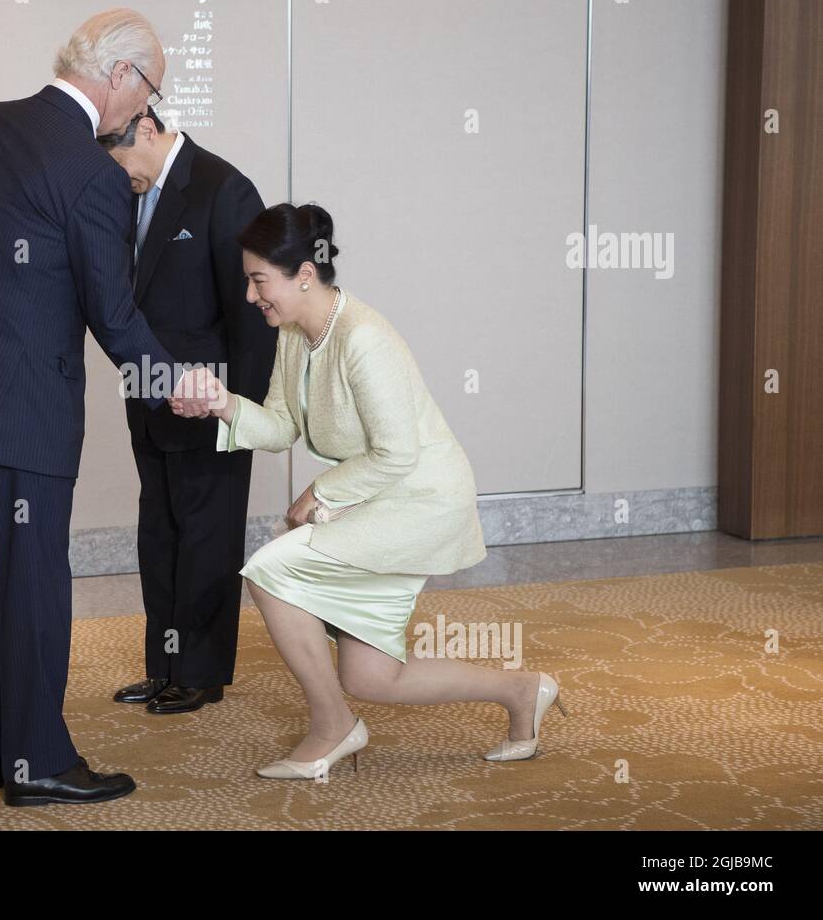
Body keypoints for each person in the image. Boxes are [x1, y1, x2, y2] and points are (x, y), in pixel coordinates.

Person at [0, 8, 209, 807]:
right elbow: (114, 313)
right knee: (32, 586)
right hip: (26, 411)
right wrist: (181, 384)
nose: (143, 114)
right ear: (120, 77)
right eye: (148, 94)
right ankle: (38, 762)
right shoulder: (90, 172)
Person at [176, 202, 567, 779]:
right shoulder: (295, 335)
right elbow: (284, 425)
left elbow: (397, 453)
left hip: (420, 499)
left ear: (303, 274)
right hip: (377, 496)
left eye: (259, 281)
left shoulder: (363, 339)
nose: (251, 296)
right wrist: (223, 404)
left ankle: (334, 727)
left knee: (269, 570)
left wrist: (320, 491)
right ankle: (523, 691)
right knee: (371, 676)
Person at [97, 108, 277, 714]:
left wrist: (239, 412)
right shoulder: (132, 192)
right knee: (161, 535)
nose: (120, 178)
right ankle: (165, 665)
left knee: (207, 538)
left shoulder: (224, 189)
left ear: (145, 127)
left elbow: (251, 315)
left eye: (120, 161)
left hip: (214, 404)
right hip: (150, 394)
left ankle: (200, 673)